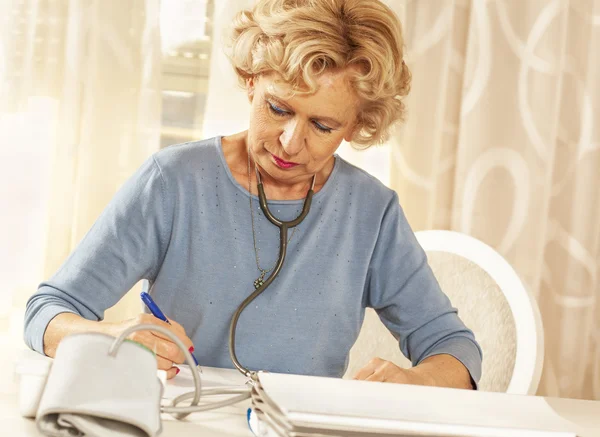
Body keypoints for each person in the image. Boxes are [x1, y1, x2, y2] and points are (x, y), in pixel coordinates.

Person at [24, 0, 482, 389]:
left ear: (360, 124)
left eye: (323, 126)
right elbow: (46, 313)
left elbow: (454, 348)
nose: (290, 142)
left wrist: (415, 380)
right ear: (250, 79)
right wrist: (109, 336)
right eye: (278, 108)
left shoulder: (371, 212)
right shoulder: (173, 182)